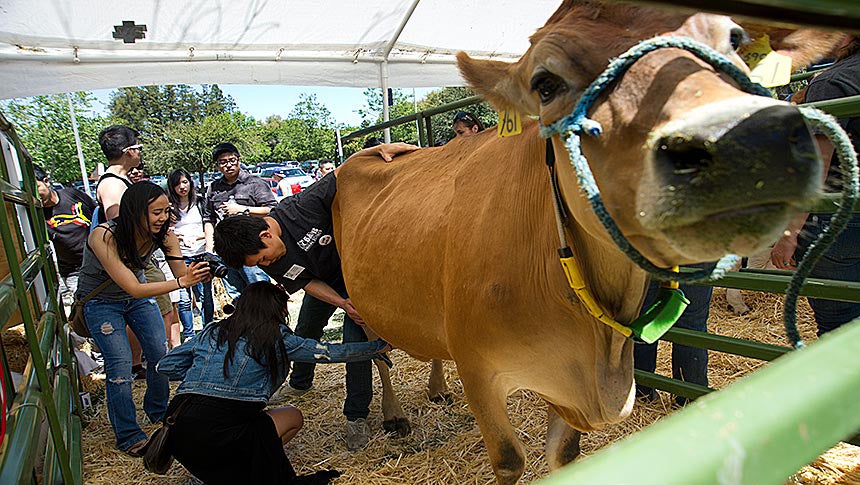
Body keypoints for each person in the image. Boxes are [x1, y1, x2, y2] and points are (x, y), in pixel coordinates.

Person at [213, 142, 418, 450]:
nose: (267, 266)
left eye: (264, 260)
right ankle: (300, 382)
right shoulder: (270, 254)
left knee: (356, 344)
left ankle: (356, 416)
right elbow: (305, 281)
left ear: (265, 234)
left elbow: (343, 173)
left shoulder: (303, 206)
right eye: (260, 265)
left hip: (356, 279)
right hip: (324, 285)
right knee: (306, 329)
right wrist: (340, 302)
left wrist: (380, 148)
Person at [156, 282, 391, 485]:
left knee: (234, 429)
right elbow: (330, 352)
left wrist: (201, 372)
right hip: (225, 436)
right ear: (277, 310)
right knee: (293, 417)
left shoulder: (212, 331)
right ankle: (246, 467)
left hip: (180, 436)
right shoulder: (277, 336)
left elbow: (165, 366)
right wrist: (378, 347)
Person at [76, 182, 210, 455]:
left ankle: (159, 413)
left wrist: (198, 270)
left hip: (137, 300)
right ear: (135, 212)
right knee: (120, 367)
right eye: (156, 212)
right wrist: (183, 281)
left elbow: (181, 273)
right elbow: (135, 287)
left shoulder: (164, 235)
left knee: (160, 355)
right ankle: (127, 435)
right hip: (102, 302)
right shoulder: (104, 235)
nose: (163, 218)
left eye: (166, 211)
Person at [771, 35, 860, 336]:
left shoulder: (833, 83)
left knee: (839, 326)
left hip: (838, 223)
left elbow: (816, 163)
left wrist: (789, 232)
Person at [203, 142, 276, 301]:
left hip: (252, 248)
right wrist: (210, 249)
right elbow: (209, 219)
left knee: (260, 292)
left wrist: (243, 209)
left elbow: (273, 209)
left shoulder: (255, 183)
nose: (228, 165)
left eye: (232, 160)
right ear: (217, 166)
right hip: (226, 251)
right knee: (236, 297)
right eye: (223, 162)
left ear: (239, 159)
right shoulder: (213, 188)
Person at [633, 264, 713, 406]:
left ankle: (642, 394)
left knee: (645, 319)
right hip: (697, 250)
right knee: (692, 325)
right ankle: (690, 398)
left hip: (652, 249)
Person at [33, 164, 96, 305]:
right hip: (75, 271)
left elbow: (98, 215)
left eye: (36, 187)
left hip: (102, 261)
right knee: (89, 307)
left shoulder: (73, 195)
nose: (34, 195)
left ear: (46, 182)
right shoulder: (36, 215)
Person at [168, 169, 214, 340]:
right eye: (178, 183)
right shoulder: (169, 207)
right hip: (181, 256)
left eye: (185, 182)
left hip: (201, 253)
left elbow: (210, 226)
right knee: (184, 297)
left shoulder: (201, 203)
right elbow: (166, 231)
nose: (182, 187)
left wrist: (199, 237)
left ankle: (207, 329)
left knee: (205, 295)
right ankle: (188, 334)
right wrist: (181, 238)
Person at [95, 125, 139, 222]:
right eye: (139, 148)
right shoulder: (112, 185)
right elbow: (119, 225)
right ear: (130, 151)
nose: (139, 152)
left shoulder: (121, 179)